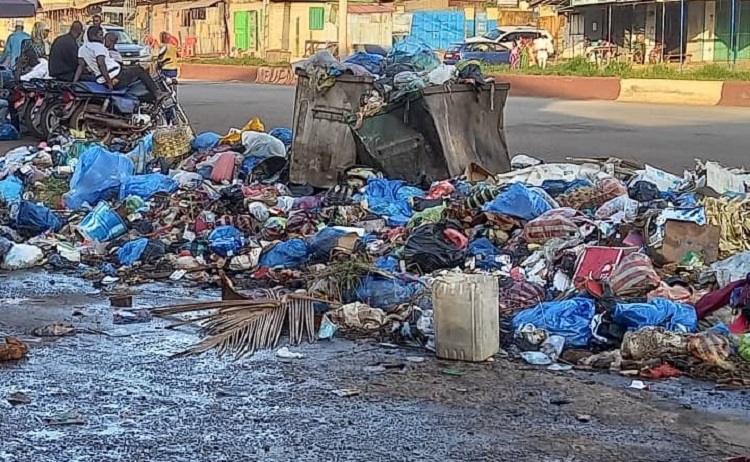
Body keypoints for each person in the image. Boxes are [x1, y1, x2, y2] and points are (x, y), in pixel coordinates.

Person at [75, 26, 164, 102]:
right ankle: (157, 93)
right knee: (140, 69)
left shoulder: (82, 49)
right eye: (101, 35)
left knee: (131, 69)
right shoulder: (99, 47)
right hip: (116, 76)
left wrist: (74, 82)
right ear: (93, 36)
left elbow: (80, 66)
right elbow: (101, 64)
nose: (103, 38)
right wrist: (109, 82)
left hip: (102, 78)